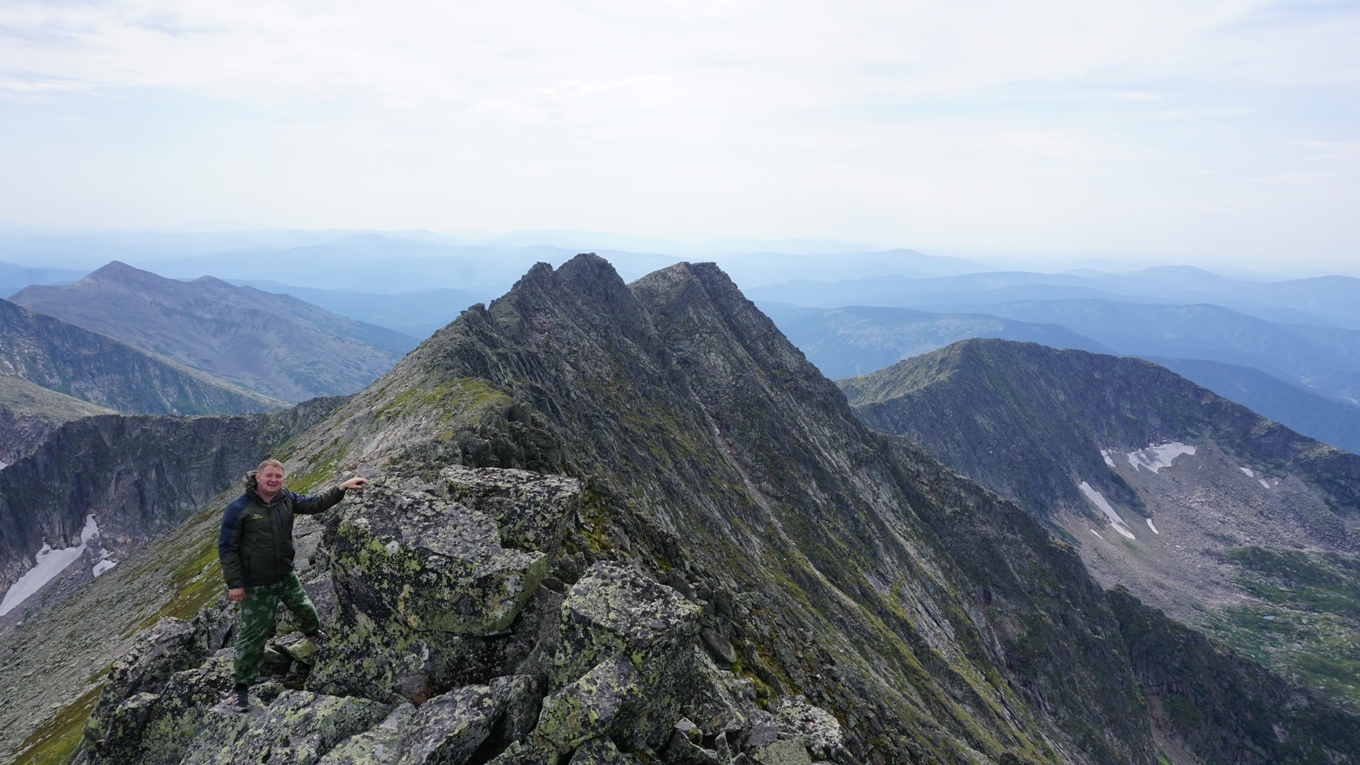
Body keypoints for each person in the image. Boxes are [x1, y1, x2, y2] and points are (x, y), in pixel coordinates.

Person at [218, 458, 368, 712]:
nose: (274, 480)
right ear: (258, 477)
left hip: (285, 575)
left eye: (278, 476)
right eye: (269, 476)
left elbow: (315, 504)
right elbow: (227, 548)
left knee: (304, 607)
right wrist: (235, 584)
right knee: (252, 636)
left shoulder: (285, 499)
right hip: (256, 584)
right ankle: (241, 689)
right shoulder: (239, 508)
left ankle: (311, 633)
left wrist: (341, 488)